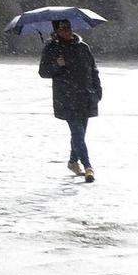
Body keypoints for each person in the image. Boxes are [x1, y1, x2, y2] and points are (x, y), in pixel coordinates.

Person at [40, 19, 102, 181]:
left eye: (68, 28)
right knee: (77, 132)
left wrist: (97, 90)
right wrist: (57, 65)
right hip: (66, 97)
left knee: (80, 134)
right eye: (63, 29)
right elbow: (43, 72)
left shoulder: (83, 47)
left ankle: (73, 161)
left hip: (85, 96)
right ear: (56, 31)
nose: (67, 31)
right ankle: (88, 166)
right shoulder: (52, 48)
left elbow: (93, 70)